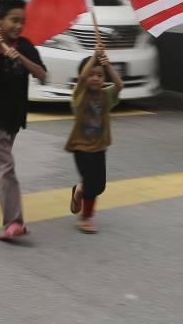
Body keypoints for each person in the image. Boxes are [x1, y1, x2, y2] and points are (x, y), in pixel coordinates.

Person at [0, 0, 47, 242]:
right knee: (6, 166)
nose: (18, 26)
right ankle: (14, 222)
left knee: (0, 165)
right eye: (13, 20)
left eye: (21, 21)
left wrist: (22, 59)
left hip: (14, 115)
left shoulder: (25, 45)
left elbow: (42, 74)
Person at [65, 43, 124, 234]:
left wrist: (107, 65)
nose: (95, 78)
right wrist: (94, 56)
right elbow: (82, 77)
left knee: (99, 185)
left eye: (99, 75)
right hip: (80, 146)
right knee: (91, 181)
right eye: (92, 74)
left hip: (100, 146)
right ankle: (85, 218)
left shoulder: (106, 95)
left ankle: (80, 190)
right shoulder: (79, 95)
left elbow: (119, 85)